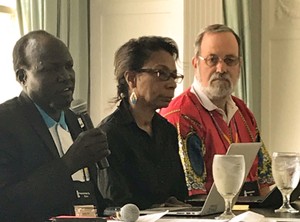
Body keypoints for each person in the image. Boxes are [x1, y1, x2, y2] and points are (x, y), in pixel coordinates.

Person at [0, 30, 110, 221]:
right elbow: (6, 203)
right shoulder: (6, 123)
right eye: (51, 69)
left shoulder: (76, 120)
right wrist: (69, 163)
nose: (66, 76)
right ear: (22, 77)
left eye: (69, 66)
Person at [160, 24, 274, 197]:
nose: (221, 69)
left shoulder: (243, 111)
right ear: (195, 63)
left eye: (230, 60)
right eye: (212, 59)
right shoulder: (181, 115)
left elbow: (264, 182)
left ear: (239, 65)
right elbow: (193, 196)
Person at [98, 36, 189, 210]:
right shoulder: (109, 134)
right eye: (161, 73)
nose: (171, 84)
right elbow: (115, 204)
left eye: (173, 76)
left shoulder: (167, 130)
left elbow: (179, 193)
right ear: (132, 78)